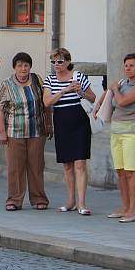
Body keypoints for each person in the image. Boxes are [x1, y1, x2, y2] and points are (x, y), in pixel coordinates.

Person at [97, 52, 135, 224]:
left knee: (130, 172)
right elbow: (108, 98)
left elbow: (123, 102)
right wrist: (99, 103)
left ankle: (133, 210)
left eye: (132, 65)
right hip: (116, 131)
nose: (128, 68)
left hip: (132, 133)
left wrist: (114, 89)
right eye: (126, 65)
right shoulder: (121, 83)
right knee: (120, 171)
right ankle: (124, 207)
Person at [0, 52, 51, 211]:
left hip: (36, 131)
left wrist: (49, 123)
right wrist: (1, 132)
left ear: (30, 67)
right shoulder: (7, 84)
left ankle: (39, 198)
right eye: (19, 65)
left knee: (36, 166)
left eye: (26, 65)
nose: (23, 68)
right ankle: (14, 199)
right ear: (14, 67)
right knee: (15, 167)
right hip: (14, 132)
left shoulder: (37, 80)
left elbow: (46, 104)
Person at [42, 48, 96, 215]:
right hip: (61, 121)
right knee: (67, 165)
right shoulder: (50, 79)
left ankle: (82, 203)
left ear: (67, 61)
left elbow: (93, 98)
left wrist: (80, 91)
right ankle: (70, 200)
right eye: (53, 62)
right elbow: (47, 102)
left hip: (79, 120)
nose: (56, 65)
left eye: (59, 61)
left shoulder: (78, 76)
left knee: (80, 163)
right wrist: (64, 90)